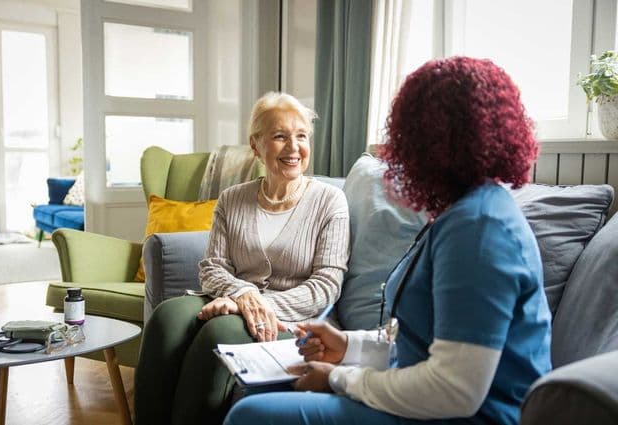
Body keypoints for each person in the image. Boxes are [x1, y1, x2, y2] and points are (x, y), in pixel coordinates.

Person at [224, 57, 552, 425]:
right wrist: (348, 344)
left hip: (472, 416)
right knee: (262, 392)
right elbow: (427, 339)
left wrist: (339, 378)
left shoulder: (478, 229)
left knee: (252, 414)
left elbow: (454, 390)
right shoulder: (459, 212)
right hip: (433, 403)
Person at [134, 92, 350, 425]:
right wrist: (242, 295)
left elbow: (325, 287)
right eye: (280, 136)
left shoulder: (330, 202)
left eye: (301, 136)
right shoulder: (233, 199)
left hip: (296, 318)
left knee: (218, 332)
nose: (293, 147)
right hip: (234, 300)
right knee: (167, 317)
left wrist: (251, 303)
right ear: (256, 145)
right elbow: (212, 267)